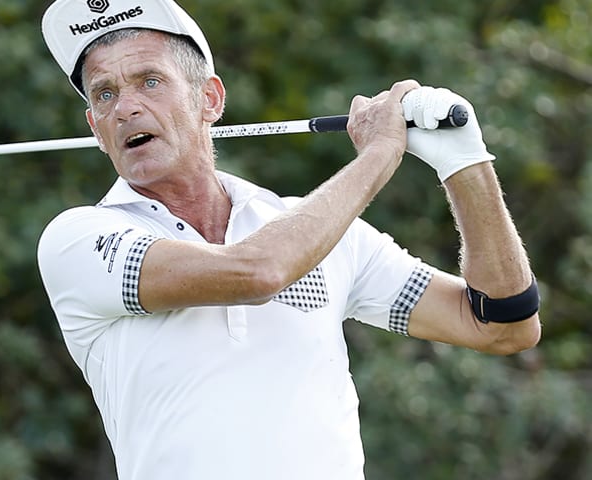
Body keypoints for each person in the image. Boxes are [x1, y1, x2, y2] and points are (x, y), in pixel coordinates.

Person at [36, 0, 542, 478]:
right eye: (104, 93)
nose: (125, 108)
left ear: (208, 99)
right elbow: (257, 273)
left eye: (150, 81)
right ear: (96, 129)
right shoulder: (80, 240)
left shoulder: (319, 230)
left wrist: (465, 163)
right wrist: (379, 154)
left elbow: (501, 326)